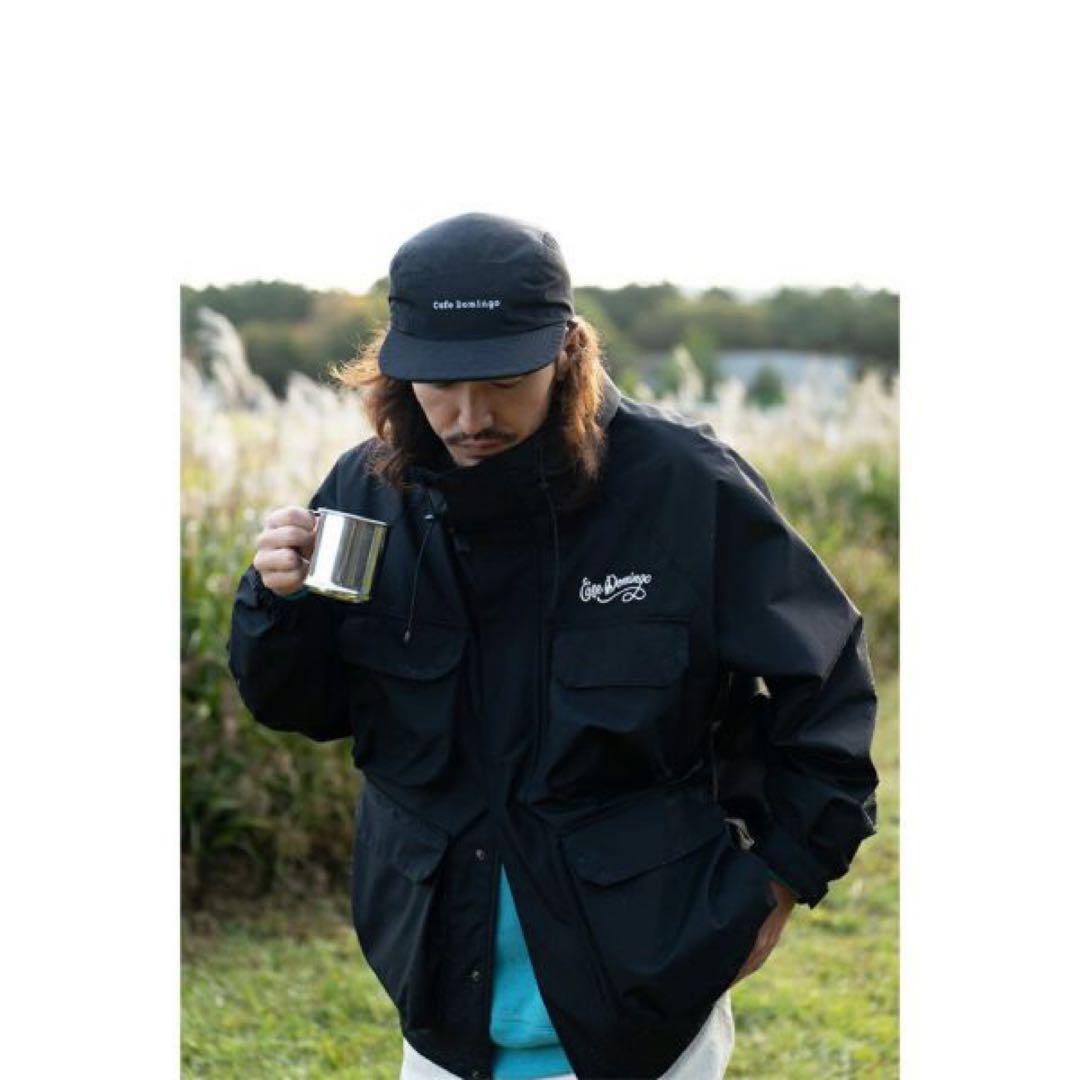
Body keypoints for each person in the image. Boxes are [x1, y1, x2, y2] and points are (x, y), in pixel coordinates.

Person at [227, 212, 879, 1079]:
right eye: (438, 383)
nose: (470, 416)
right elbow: (301, 707)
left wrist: (786, 873)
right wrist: (278, 605)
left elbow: (826, 678)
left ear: (567, 351)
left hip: (650, 997)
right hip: (440, 998)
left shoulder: (684, 485)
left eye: (504, 379)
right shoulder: (366, 490)